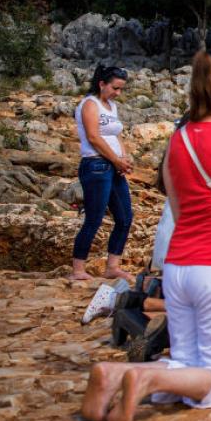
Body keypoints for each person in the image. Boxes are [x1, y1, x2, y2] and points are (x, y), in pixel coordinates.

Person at [80, 49, 211, 421]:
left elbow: (179, 210)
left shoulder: (179, 140)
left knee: (186, 359)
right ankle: (144, 379)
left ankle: (115, 374)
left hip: (180, 265)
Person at [71, 65, 135, 282]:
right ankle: (78, 269)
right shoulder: (90, 104)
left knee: (125, 217)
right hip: (96, 165)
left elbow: (116, 135)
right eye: (115, 88)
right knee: (94, 218)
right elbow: (93, 137)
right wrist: (116, 160)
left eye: (121, 89)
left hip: (114, 167)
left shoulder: (112, 106)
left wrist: (124, 158)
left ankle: (112, 266)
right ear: (102, 84)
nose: (118, 93)